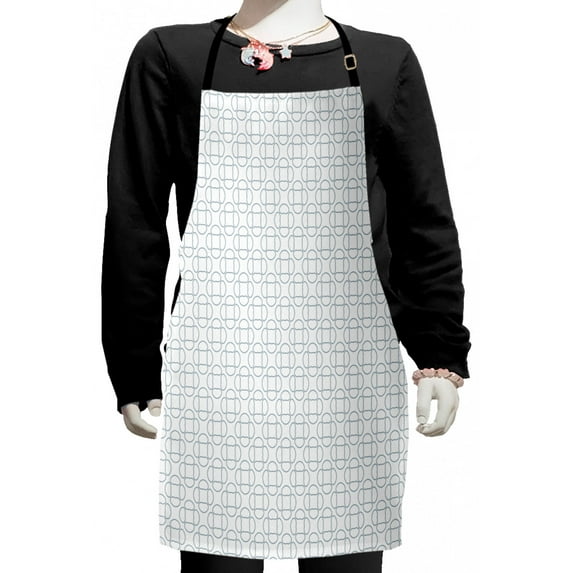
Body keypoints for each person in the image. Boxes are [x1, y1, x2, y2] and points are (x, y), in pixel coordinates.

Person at [101, 1, 471, 571]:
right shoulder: (171, 56)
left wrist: (438, 354)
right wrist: (133, 364)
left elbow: (421, 219)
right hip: (219, 369)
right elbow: (135, 219)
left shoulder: (384, 60)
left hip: (347, 373)